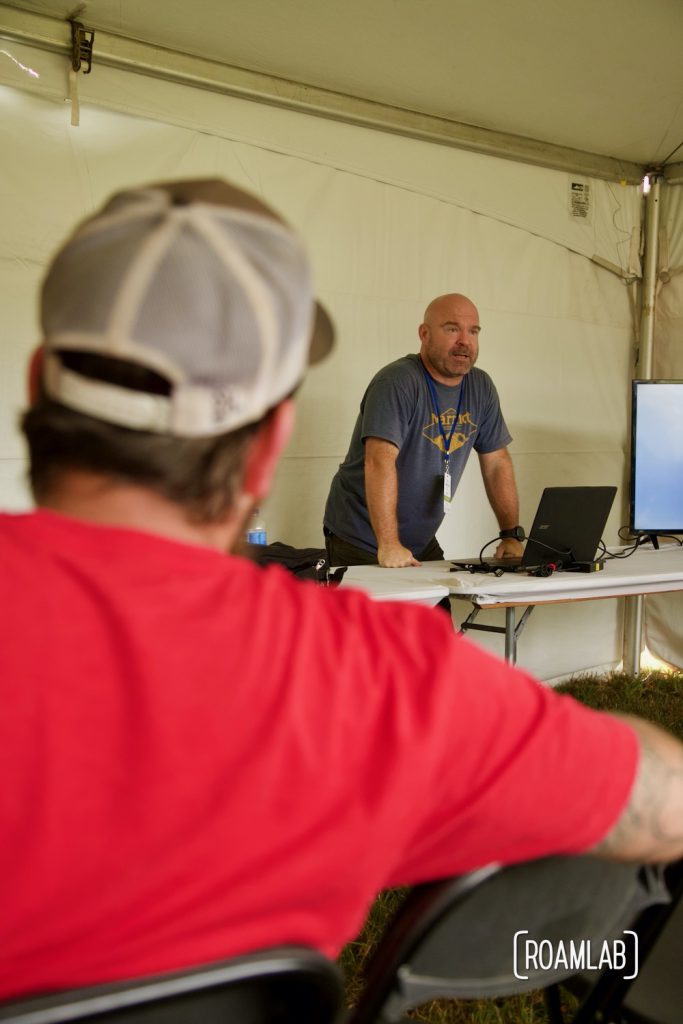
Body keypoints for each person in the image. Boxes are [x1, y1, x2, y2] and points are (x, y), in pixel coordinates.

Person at [1, 178, 683, 1003]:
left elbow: (495, 462)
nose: (465, 341)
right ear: (269, 447)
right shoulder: (385, 680)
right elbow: (660, 803)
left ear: (37, 387)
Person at [323, 293, 525, 568]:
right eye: (452, 329)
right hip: (362, 538)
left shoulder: (481, 387)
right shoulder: (397, 382)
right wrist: (389, 544)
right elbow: (379, 461)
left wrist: (511, 534)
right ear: (424, 334)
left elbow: (496, 463)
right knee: (380, 612)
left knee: (439, 612)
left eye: (473, 331)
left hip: (418, 541)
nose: (464, 340)